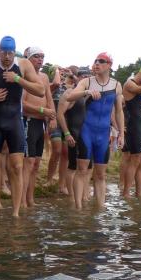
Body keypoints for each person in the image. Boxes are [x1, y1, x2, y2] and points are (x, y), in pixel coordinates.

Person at [0, 36, 45, 216]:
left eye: (10, 53)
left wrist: (18, 79)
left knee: (17, 166)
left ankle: (16, 213)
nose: (7, 57)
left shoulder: (24, 65)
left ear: (14, 53)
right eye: (3, 53)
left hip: (14, 121)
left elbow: (41, 90)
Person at [65, 52, 125, 208]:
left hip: (103, 134)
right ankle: (78, 209)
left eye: (101, 61)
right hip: (87, 131)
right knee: (82, 170)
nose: (97, 63)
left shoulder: (116, 85)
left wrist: (121, 134)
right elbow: (70, 96)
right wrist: (86, 92)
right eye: (96, 61)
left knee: (100, 174)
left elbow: (119, 111)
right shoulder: (87, 82)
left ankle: (100, 209)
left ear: (109, 65)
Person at [21, 47, 56, 208]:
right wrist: (42, 110)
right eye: (36, 56)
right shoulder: (24, 76)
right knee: (28, 163)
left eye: (42, 56)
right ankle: (22, 200)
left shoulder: (44, 77)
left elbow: (49, 98)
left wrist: (52, 118)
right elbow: (21, 104)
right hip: (28, 120)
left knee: (35, 164)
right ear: (28, 58)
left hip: (40, 124)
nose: (40, 59)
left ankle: (30, 199)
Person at [57, 68, 89, 206]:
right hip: (73, 133)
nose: (86, 79)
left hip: (86, 135)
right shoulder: (70, 92)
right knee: (73, 166)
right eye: (84, 76)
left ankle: (84, 196)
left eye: (88, 76)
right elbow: (60, 114)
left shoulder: (88, 94)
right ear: (78, 78)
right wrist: (67, 133)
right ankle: (71, 197)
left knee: (87, 167)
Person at [121, 64, 141, 198]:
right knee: (135, 159)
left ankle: (139, 194)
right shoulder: (130, 83)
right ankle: (126, 193)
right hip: (135, 125)